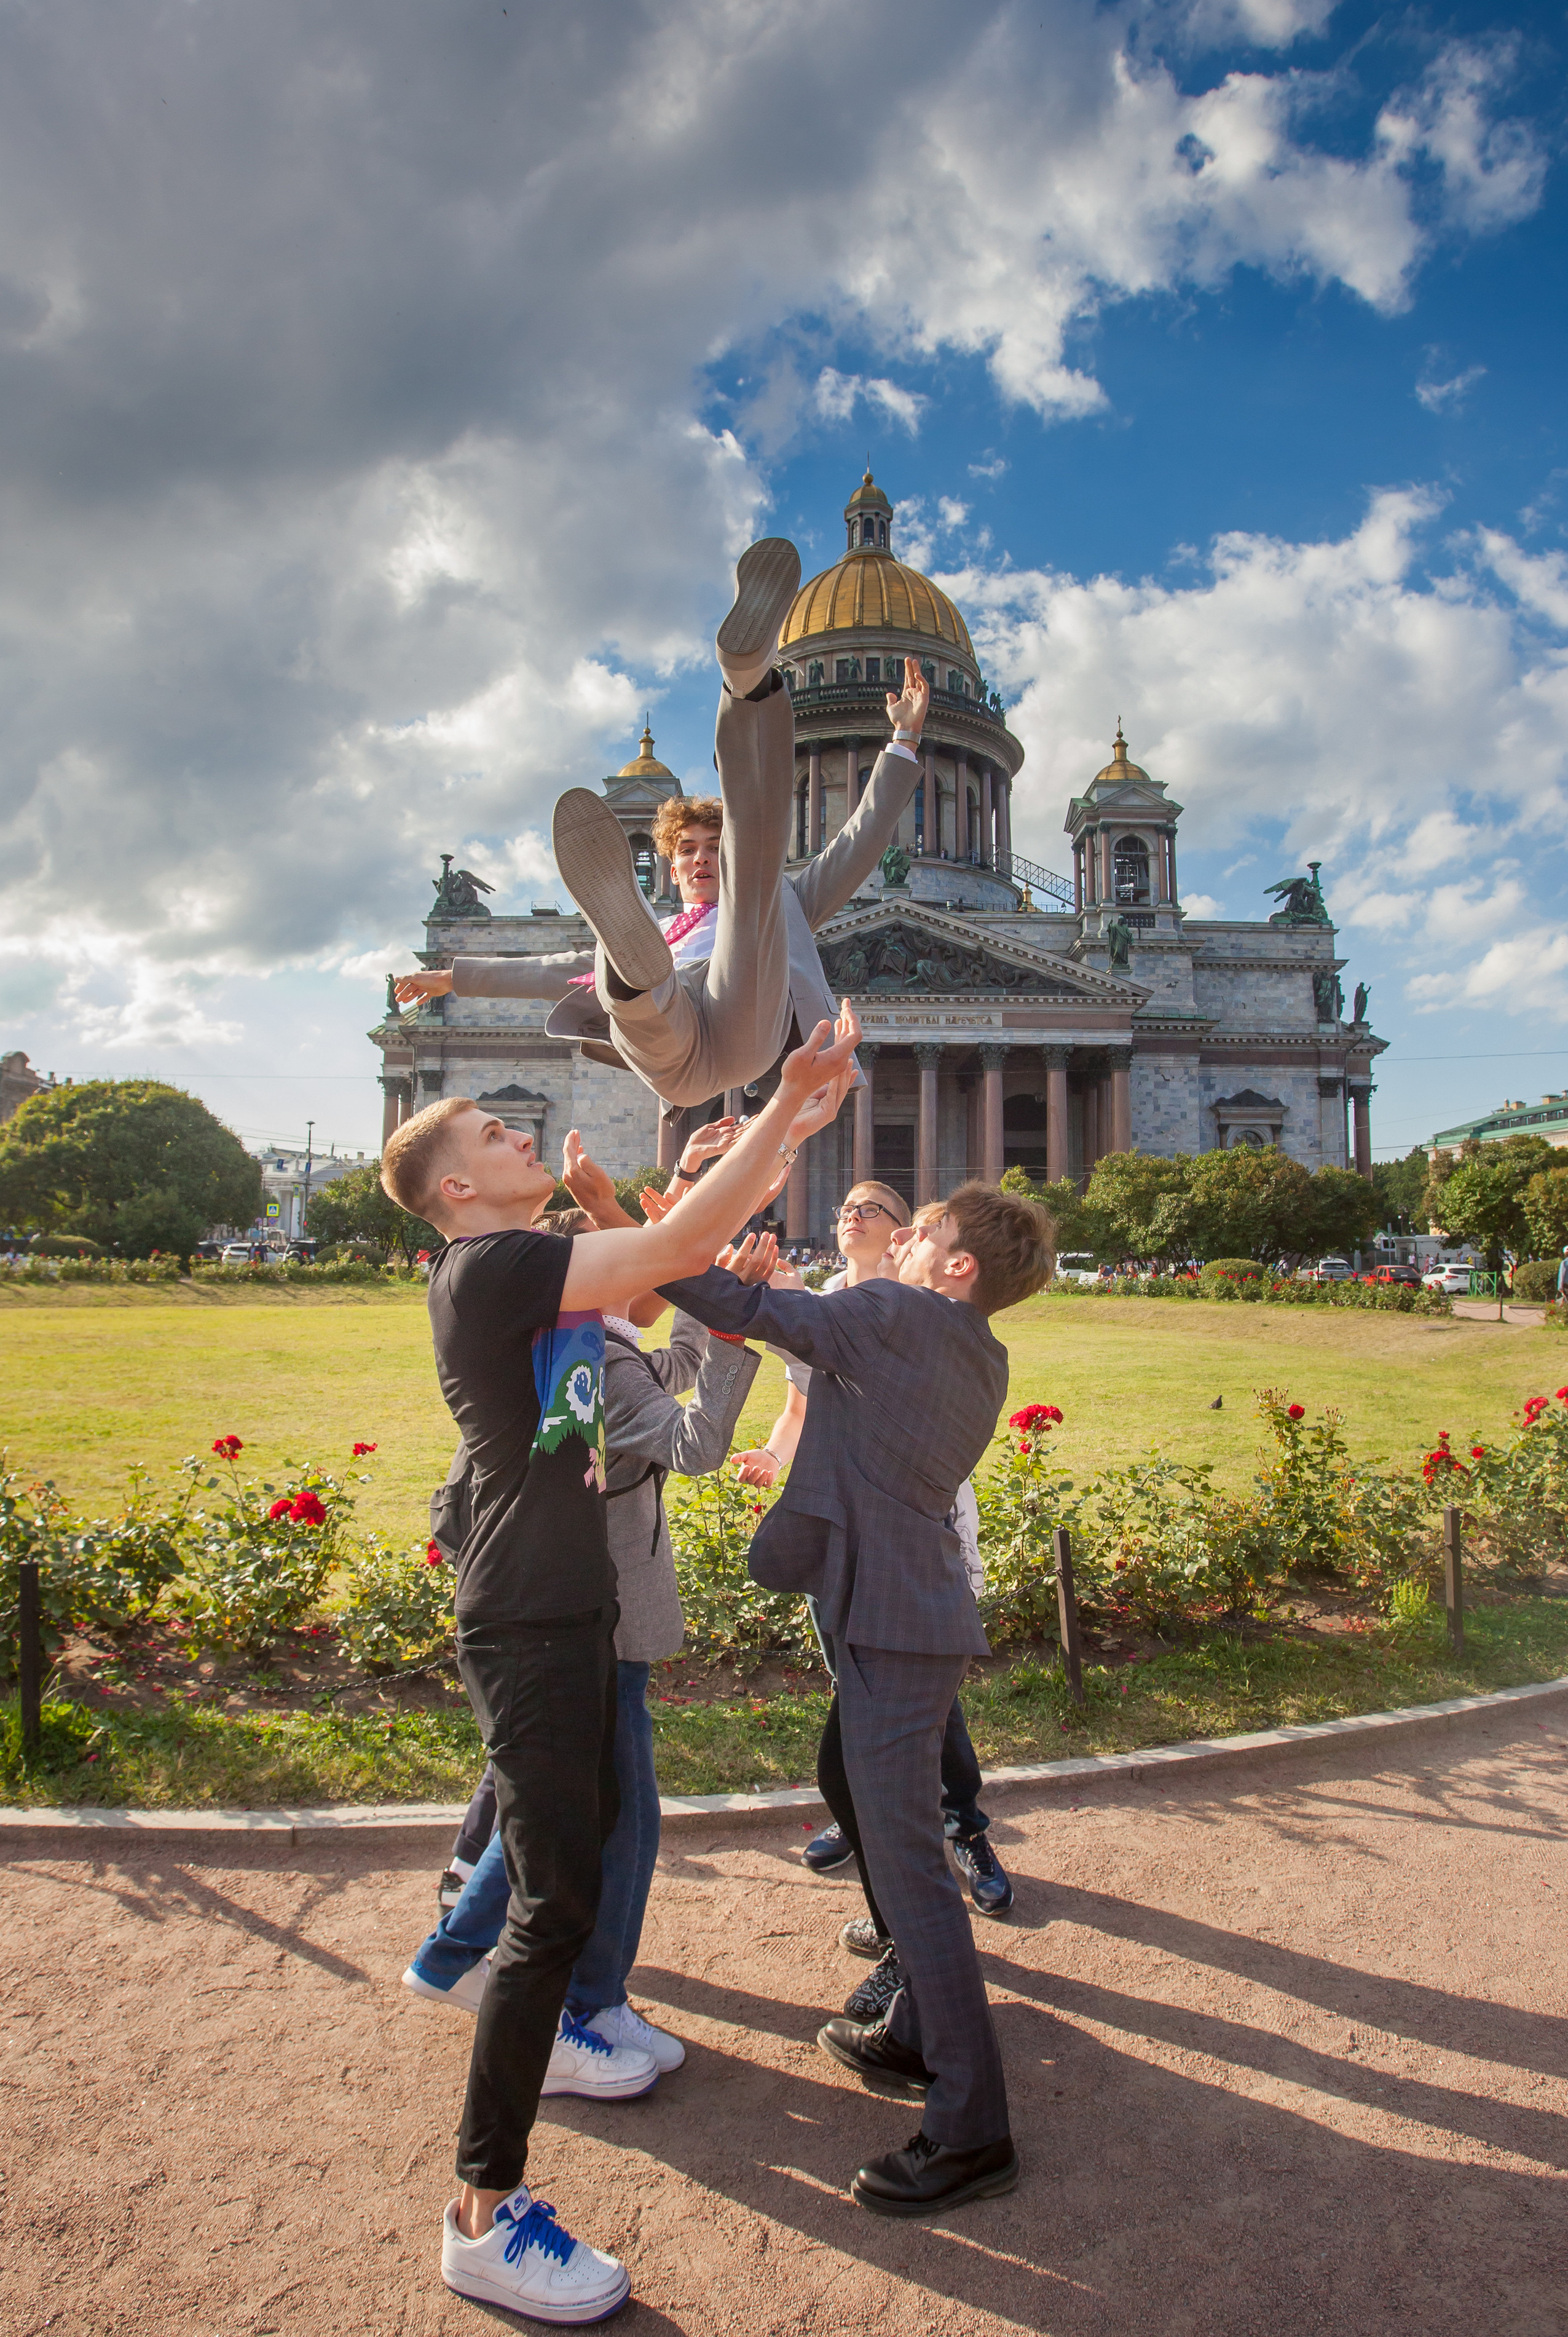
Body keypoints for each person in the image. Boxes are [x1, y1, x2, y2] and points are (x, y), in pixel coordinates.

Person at [379, 1005, 857, 2323]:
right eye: (488, 1128)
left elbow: (656, 1277)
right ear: (455, 1186)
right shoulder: (487, 1271)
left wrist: (776, 1135)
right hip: (526, 1616)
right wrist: (789, 1107)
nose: (512, 1124)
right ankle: (482, 2211)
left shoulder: (532, 1260)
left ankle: (546, 2080)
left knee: (571, 1882)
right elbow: (679, 1247)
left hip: (569, 1604)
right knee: (547, 1905)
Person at [658, 1181, 1055, 2217]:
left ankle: (973, 2132)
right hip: (910, 1608)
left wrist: (644, 1226)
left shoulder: (893, 1310)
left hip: (890, 1617)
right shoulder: (978, 1346)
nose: (907, 1235)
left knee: (913, 1873)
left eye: (927, 1229)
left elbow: (746, 1310)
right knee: (903, 1849)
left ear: (958, 1263)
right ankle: (919, 2035)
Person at [404, 1172, 762, 2078]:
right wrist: (724, 1319)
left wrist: (700, 1290)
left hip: (598, 1605)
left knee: (595, 1814)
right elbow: (694, 1441)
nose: (639, 1275)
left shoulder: (589, 1337)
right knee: (602, 1818)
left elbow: (667, 1373)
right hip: (589, 1613)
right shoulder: (587, 1357)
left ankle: (584, 1991)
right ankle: (492, 1968)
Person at [393, 538, 930, 1110]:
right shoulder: (668, 930)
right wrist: (454, 976)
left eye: (709, 848)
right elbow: (555, 969)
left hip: (746, 1016)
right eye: (688, 850)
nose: (701, 858)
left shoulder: (790, 901)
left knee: (756, 876)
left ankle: (748, 684)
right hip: (675, 1043)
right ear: (670, 869)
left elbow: (861, 838)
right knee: (625, 976)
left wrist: (904, 741)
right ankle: (632, 962)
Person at [730, 1188, 1014, 2009]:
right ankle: (898, 1893)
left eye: (883, 1207)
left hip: (914, 1545)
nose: (856, 1213)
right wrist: (779, 1456)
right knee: (878, 1731)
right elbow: (804, 1402)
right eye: (848, 1204)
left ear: (906, 1235)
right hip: (847, 1540)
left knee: (910, 1729)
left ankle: (950, 1849)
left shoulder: (917, 1309)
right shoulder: (831, 1300)